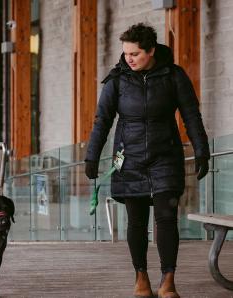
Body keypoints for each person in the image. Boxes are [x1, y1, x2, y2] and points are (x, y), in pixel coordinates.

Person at [85, 23, 209, 298]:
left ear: (151, 51)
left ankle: (168, 279)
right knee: (136, 221)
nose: (129, 59)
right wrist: (91, 156)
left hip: (165, 156)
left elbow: (191, 115)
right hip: (129, 159)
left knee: (166, 218)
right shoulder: (117, 80)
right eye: (126, 53)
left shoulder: (173, 76)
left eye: (135, 54)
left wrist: (202, 149)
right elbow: (102, 120)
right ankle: (140, 276)